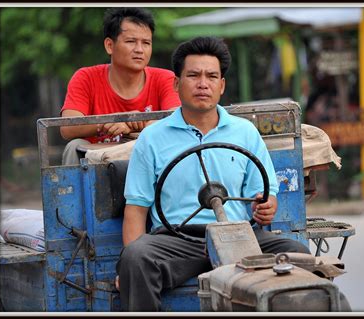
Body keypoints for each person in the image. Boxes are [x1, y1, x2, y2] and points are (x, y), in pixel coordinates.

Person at [117, 36, 310, 311]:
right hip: (178, 241)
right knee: (136, 257)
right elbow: (135, 210)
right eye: (193, 75)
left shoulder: (245, 132)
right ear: (176, 84)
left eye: (211, 76)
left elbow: (265, 196)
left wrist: (266, 208)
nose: (202, 83)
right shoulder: (152, 138)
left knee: (298, 254)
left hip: (240, 236)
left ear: (222, 85)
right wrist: (126, 268)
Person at [60, 7, 181, 165]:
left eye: (146, 43)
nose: (139, 50)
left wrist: (139, 122)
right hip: (98, 161)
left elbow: (177, 117)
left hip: (148, 159)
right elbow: (68, 127)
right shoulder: (86, 77)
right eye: (131, 41)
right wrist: (111, 122)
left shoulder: (165, 78)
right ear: (110, 45)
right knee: (73, 146)